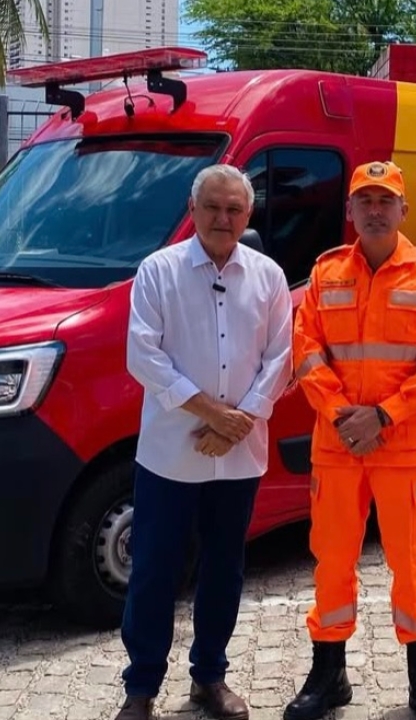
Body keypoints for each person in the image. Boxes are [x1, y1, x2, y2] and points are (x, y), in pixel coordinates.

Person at [285, 160, 416, 720]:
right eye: (366, 200)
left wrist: (381, 417)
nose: (377, 210)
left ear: (404, 211)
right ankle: (328, 675)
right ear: (351, 211)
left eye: (387, 201)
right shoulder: (325, 273)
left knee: (411, 566)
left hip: (404, 446)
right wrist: (344, 416)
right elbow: (306, 351)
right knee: (332, 561)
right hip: (339, 445)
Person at [115, 164, 293, 720]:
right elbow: (143, 356)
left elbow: (281, 358)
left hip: (238, 457)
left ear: (249, 215)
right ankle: (140, 688)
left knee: (225, 570)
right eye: (213, 207)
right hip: (171, 454)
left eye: (234, 209)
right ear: (193, 211)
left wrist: (241, 420)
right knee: (153, 571)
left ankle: (209, 678)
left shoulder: (268, 276)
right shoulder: (158, 271)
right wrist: (214, 413)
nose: (223, 218)